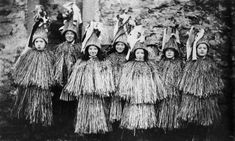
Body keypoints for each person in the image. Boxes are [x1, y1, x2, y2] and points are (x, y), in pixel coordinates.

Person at [61, 22, 115, 139]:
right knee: (85, 112)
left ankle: (98, 130)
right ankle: (85, 130)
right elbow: (76, 80)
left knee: (98, 112)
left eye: (95, 49)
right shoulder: (81, 63)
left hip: (98, 95)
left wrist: (102, 88)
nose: (92, 51)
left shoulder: (103, 64)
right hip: (85, 95)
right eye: (90, 49)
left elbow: (107, 79)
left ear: (98, 50)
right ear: (87, 50)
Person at [118, 27, 166, 140]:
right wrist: (127, 92)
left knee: (145, 119)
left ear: (145, 54)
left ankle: (143, 136)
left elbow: (156, 81)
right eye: (138, 53)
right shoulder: (129, 65)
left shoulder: (151, 66)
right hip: (134, 97)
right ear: (134, 54)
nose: (140, 55)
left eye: (142, 53)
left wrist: (155, 93)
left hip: (146, 97)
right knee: (132, 119)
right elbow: (125, 81)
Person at [177, 28, 224, 140]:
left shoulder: (210, 64)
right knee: (191, 119)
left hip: (206, 97)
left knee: (204, 119)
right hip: (192, 97)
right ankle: (191, 137)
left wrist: (210, 90)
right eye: (199, 48)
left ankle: (203, 137)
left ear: (207, 50)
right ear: (196, 49)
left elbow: (215, 80)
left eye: (204, 48)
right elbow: (186, 80)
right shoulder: (191, 62)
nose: (202, 50)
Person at [12, 23, 54, 127]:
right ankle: (28, 125)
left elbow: (52, 73)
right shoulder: (28, 55)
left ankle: (40, 125)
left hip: (43, 89)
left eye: (41, 42)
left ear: (45, 43)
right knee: (29, 106)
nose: (39, 44)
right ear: (34, 43)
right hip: (30, 87)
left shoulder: (50, 56)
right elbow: (22, 70)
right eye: (37, 42)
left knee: (41, 107)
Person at [52, 5, 82, 133]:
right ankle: (59, 126)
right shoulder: (59, 48)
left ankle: (71, 125)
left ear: (74, 35)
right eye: (67, 34)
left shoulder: (78, 48)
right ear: (64, 35)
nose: (69, 36)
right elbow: (55, 63)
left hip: (73, 80)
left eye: (72, 34)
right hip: (61, 79)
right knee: (60, 103)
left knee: (72, 104)